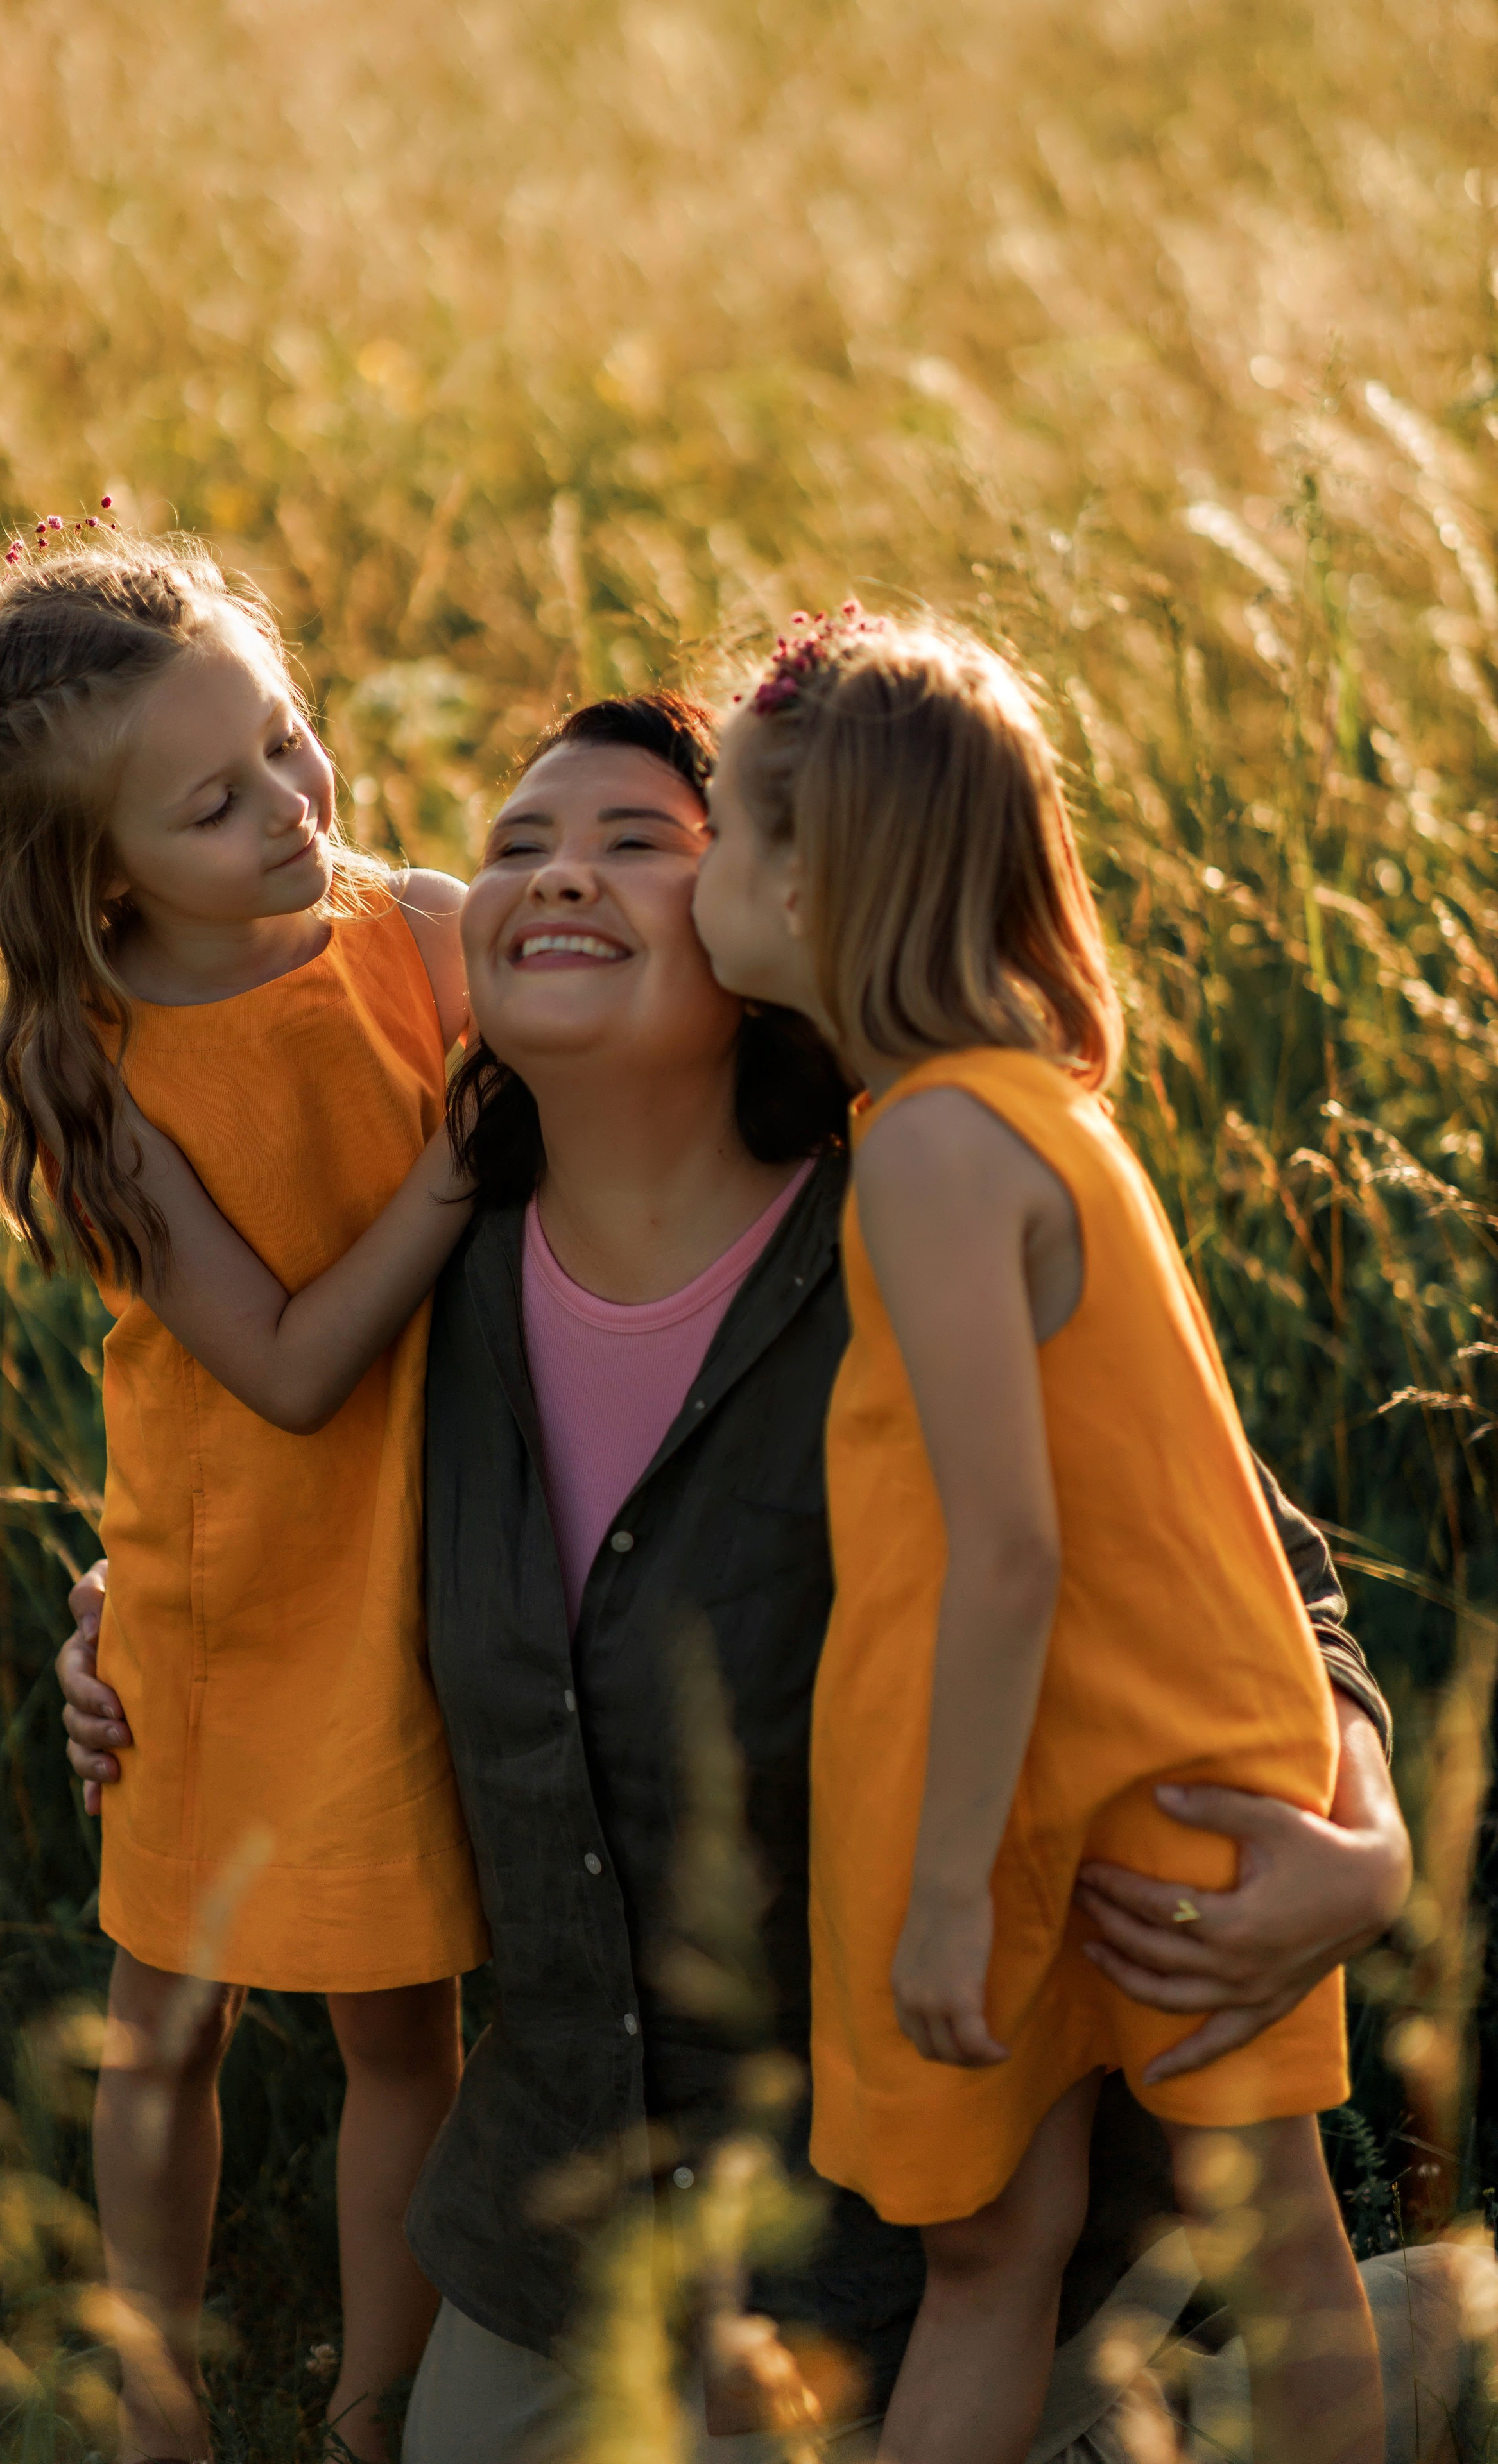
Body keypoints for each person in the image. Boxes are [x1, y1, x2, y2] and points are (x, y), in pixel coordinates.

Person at [58, 695, 1416, 2460]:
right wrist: (135, 1625)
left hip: (918, 2224)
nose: (559, 873)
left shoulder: (912, 1222)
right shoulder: (421, 1288)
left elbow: (1246, 1567)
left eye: (638, 842)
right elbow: (274, 1512)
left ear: (767, 919)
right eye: (521, 843)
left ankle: (1356, 2349)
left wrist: (1363, 1835)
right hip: (574, 2215)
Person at [691, 612, 1388, 2464]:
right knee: (1260, 2227)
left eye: (727, 826)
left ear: (819, 881)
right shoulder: (1028, 1114)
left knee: (1011, 2246)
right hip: (1170, 1754)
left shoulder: (932, 1148)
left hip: (1033, 1791)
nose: (700, 863)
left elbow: (1007, 1551)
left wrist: (942, 1893)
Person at [0, 533, 487, 2464]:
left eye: (285, 737)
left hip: (413, 1573)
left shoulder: (426, 944)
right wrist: (460, 1162)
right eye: (215, 801)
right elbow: (284, 1365)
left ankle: (368, 2415)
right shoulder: (98, 1068)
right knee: (168, 2017)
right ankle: (153, 2405)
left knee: (402, 2030)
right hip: (214, 1585)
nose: (290, 803)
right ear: (102, 875)